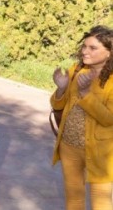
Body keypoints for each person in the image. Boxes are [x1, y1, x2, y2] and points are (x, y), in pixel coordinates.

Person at [51, 25, 113, 210]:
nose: (85, 51)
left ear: (109, 53)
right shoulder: (76, 70)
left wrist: (86, 93)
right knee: (74, 199)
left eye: (93, 48)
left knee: (101, 203)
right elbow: (58, 106)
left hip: (101, 150)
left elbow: (109, 119)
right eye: (84, 46)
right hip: (69, 146)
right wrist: (61, 88)